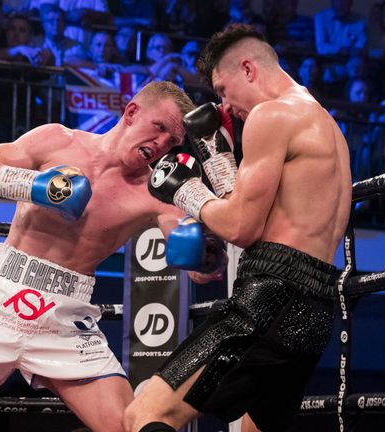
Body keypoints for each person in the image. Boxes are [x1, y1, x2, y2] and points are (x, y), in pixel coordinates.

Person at [0, 81, 210, 432]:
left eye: (172, 141)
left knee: (126, 428)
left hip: (66, 314)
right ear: (132, 112)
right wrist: (38, 187)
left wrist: (203, 254)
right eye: (160, 128)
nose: (161, 145)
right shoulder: (59, 140)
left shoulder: (157, 192)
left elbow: (196, 264)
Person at [123, 23, 352, 432]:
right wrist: (220, 156)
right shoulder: (326, 124)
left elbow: (241, 228)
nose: (225, 104)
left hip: (269, 299)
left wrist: (185, 190)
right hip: (314, 311)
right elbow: (262, 215)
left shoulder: (271, 114)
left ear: (248, 69)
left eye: (223, 90)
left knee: (145, 413)